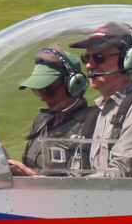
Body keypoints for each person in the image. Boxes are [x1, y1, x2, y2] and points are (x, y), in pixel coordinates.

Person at [68, 22, 132, 177]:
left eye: (99, 57)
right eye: (86, 58)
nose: (89, 65)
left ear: (128, 59)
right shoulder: (96, 114)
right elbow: (77, 173)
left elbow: (122, 174)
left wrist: (73, 189)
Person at [7, 47, 97, 177]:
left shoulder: (92, 123)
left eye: (49, 91)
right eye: (38, 91)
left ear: (73, 85)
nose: (43, 98)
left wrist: (31, 176)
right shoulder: (42, 120)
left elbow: (81, 183)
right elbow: (30, 165)